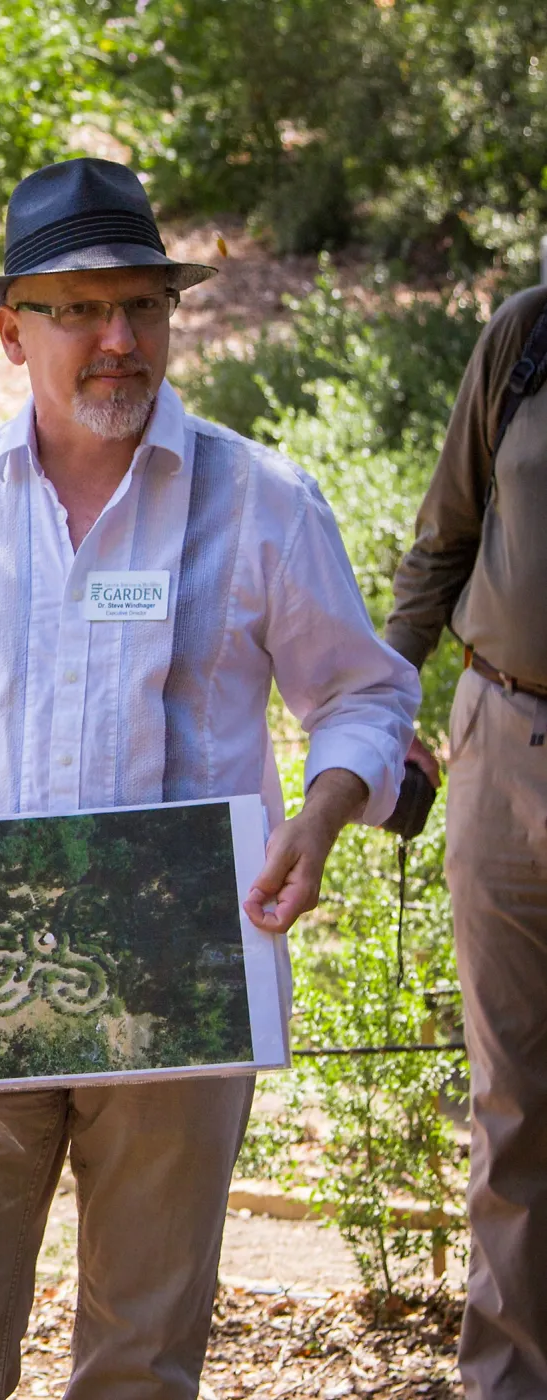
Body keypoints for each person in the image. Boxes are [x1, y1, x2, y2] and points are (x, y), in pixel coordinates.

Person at [0, 157, 419, 1400]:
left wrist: (328, 810)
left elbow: (366, 692)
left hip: (180, 972)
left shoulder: (266, 501)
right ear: (12, 329)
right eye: (78, 308)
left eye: (142, 304)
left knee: (140, 1359)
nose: (118, 338)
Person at [386, 283, 547, 1400]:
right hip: (501, 736)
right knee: (513, 1097)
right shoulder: (528, 335)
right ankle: (507, 1381)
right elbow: (445, 538)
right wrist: (380, 706)